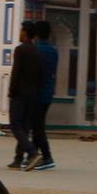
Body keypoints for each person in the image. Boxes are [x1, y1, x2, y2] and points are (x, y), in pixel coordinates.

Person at [6, 23, 48, 170]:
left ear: (24, 32)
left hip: (20, 93)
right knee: (24, 127)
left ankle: (32, 153)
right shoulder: (38, 51)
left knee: (16, 125)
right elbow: (42, 75)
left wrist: (11, 91)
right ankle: (18, 158)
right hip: (33, 93)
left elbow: (16, 72)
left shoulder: (20, 49)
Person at [30, 22, 58, 169]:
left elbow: (34, 74)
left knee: (37, 127)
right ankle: (33, 155)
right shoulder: (53, 51)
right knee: (37, 125)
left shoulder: (36, 50)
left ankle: (46, 156)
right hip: (48, 92)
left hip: (37, 93)